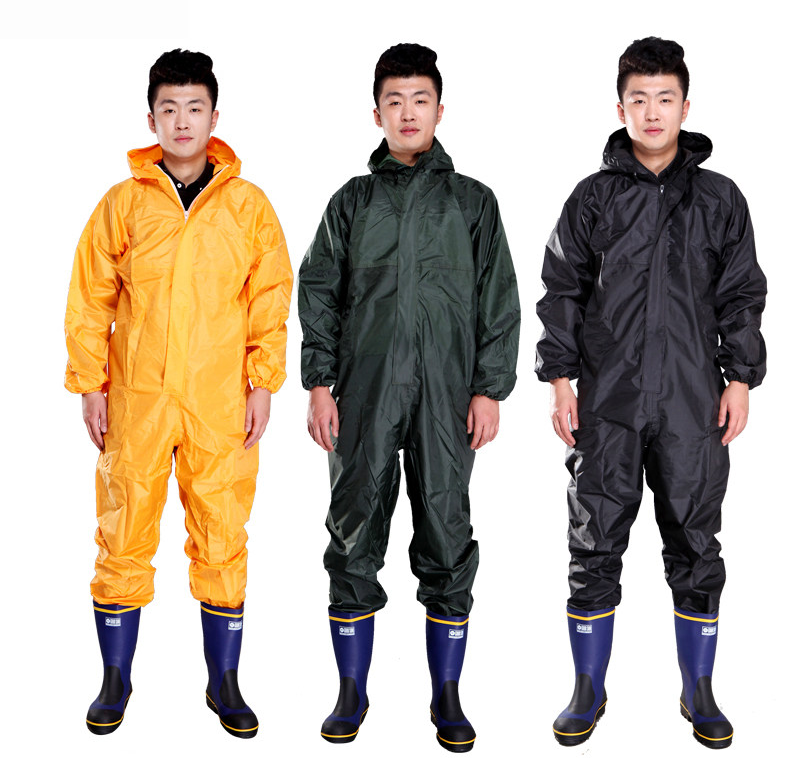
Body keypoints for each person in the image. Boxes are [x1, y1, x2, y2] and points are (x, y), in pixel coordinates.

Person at [536, 37, 766, 749]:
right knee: (594, 539)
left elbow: (742, 294)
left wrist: (741, 378)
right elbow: (562, 289)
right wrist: (560, 380)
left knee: (696, 541)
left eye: (665, 97)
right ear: (621, 108)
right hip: (607, 400)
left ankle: (699, 689)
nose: (653, 111)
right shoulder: (593, 197)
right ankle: (587, 687)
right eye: (639, 99)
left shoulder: (720, 199)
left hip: (693, 400)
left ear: (686, 106)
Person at [298, 43, 520, 753]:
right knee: (353, 532)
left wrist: (489, 389)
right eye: (394, 101)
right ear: (377, 114)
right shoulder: (351, 202)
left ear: (440, 110)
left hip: (448, 397)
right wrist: (318, 383)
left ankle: (446, 694)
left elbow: (499, 299)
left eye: (419, 99)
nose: (407, 112)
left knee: (448, 531)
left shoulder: (473, 203)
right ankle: (351, 690)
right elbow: (318, 294)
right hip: (362, 395)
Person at [64, 49, 293, 738]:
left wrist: (263, 382)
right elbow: (90, 300)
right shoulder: (124, 204)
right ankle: (115, 678)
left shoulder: (248, 207)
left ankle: (224, 681)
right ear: (152, 119)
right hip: (137, 398)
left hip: (219, 401)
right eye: (170, 108)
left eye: (195, 107)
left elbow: (270, 300)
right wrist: (90, 383)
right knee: (123, 529)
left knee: (223, 533)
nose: (183, 120)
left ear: (215, 117)